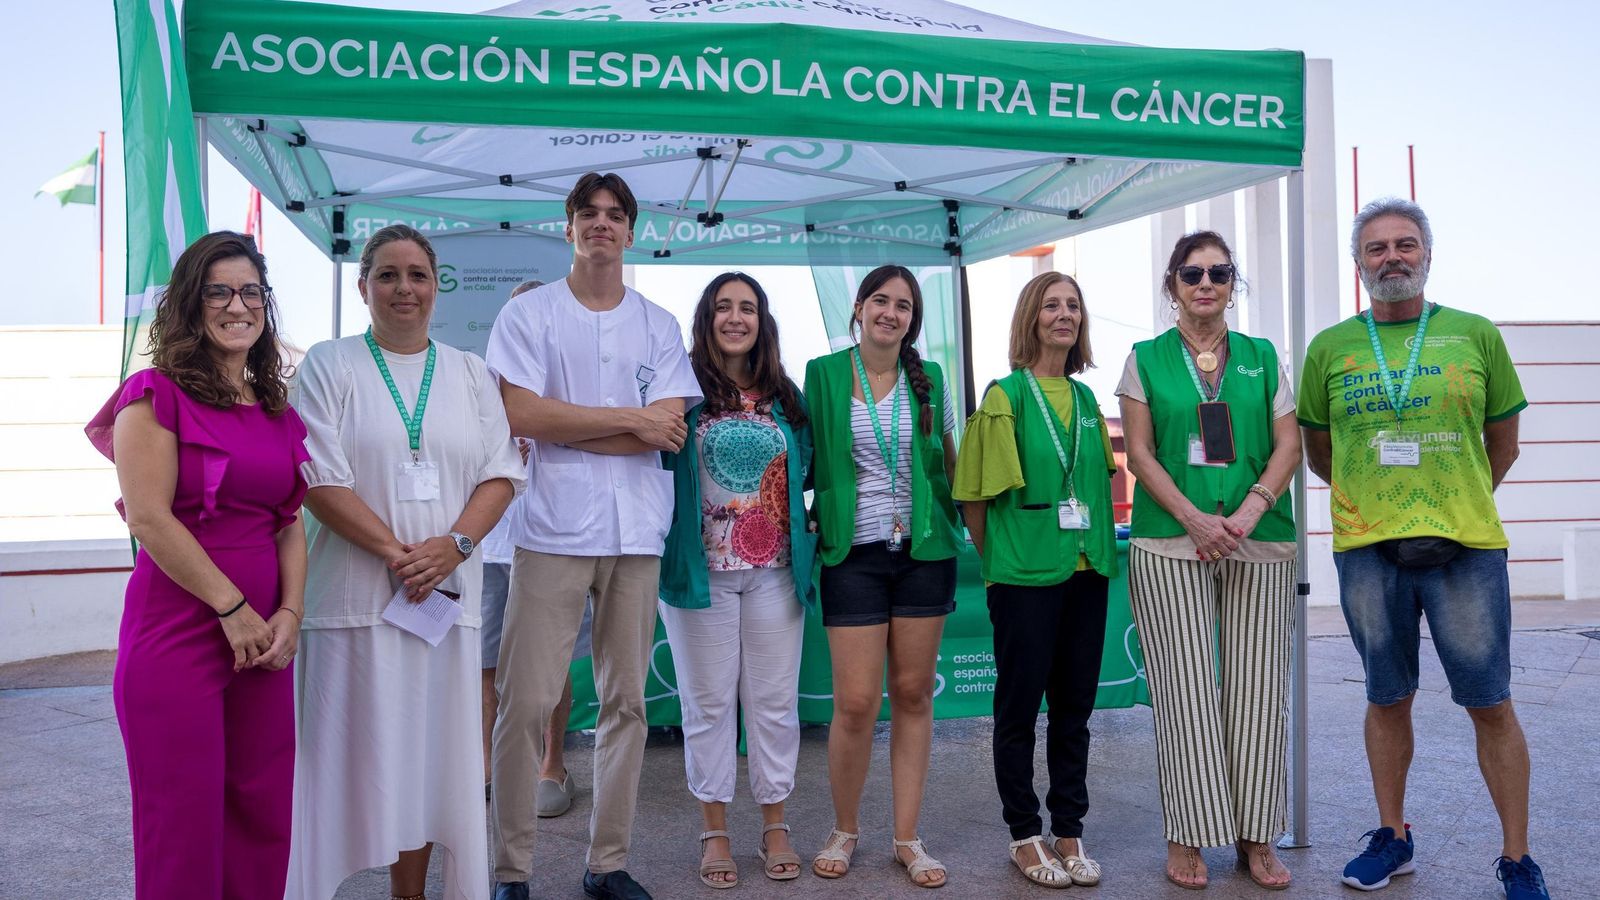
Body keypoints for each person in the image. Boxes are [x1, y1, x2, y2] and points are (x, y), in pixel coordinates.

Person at [1299, 198, 1550, 900]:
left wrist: (1457, 499)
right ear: (1358, 266)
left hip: (1465, 546)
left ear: (1428, 255)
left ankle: (1518, 858)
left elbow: (1504, 439)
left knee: (1490, 701)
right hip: (1368, 548)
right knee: (1387, 696)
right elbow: (1321, 450)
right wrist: (1372, 501)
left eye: (1404, 245)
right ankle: (1394, 835)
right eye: (1376, 249)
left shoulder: (1475, 334)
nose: (1392, 258)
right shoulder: (1330, 347)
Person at [286, 224, 524, 900]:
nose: (403, 288)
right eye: (387, 275)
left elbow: (501, 474)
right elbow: (316, 477)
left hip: (443, 611)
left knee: (426, 766)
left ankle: (409, 894)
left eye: (417, 274)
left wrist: (455, 546)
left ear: (436, 286)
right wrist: (400, 555)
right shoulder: (329, 365)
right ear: (363, 287)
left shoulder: (471, 372)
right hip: (352, 609)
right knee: (343, 764)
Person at [486, 172, 702, 900]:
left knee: (627, 707)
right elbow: (519, 415)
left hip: (636, 531)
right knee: (524, 702)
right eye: (589, 214)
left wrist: (577, 425)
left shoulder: (659, 324)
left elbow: (668, 429)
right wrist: (630, 423)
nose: (602, 225)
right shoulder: (530, 316)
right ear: (569, 226)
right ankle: (510, 871)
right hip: (551, 528)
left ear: (631, 231)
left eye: (615, 216)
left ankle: (606, 864)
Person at [84, 231, 308, 900]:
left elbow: (289, 521)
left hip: (264, 640)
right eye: (219, 291)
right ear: (191, 303)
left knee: (261, 812)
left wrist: (289, 614)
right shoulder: (151, 396)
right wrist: (233, 609)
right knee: (181, 822)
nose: (237, 306)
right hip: (179, 634)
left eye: (251, 292)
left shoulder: (274, 407)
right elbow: (150, 517)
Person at [1116, 231, 1300, 890]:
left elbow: (1287, 443)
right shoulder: (1144, 359)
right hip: (1172, 538)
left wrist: (1251, 508)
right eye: (1192, 273)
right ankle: (1188, 833)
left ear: (1231, 283)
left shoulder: (1260, 356)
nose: (1205, 283)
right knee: (1187, 692)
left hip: (1259, 535)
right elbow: (1139, 453)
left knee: (1257, 691)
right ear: (1172, 285)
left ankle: (1257, 836)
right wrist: (1194, 518)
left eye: (1219, 272)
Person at [953, 271, 1118, 889]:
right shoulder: (1005, 397)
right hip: (1023, 577)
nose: (1064, 314)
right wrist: (999, 565)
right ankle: (1025, 834)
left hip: (1087, 570)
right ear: (1031, 317)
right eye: (1051, 304)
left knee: (1075, 709)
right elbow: (973, 498)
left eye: (1073, 305)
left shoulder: (1086, 403)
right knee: (1019, 709)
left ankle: (1069, 829)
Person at [803, 264, 963, 889]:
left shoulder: (931, 380)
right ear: (860, 309)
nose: (890, 313)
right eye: (879, 301)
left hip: (923, 552)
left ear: (911, 320)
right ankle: (844, 829)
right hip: (854, 553)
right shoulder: (823, 374)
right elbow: (803, 456)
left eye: (902, 306)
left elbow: (950, 463)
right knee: (857, 704)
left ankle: (907, 837)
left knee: (916, 694)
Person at [657, 272, 816, 888]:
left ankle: (775, 823)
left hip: (776, 572)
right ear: (706, 318)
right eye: (723, 307)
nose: (735, 318)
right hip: (702, 576)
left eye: (747, 308)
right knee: (709, 705)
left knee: (775, 705)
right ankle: (715, 830)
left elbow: (807, 470)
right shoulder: (680, 390)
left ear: (762, 321)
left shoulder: (786, 395)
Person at [478, 279, 590, 818]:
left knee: (551, 662)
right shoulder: (480, 381)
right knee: (486, 661)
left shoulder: (570, 379)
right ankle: (486, 764)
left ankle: (552, 763)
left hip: (551, 535)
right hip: (488, 540)